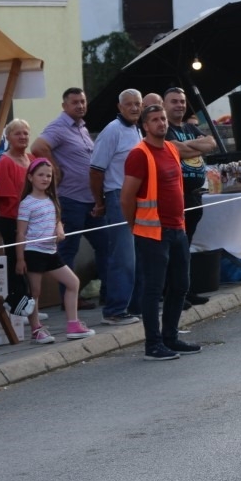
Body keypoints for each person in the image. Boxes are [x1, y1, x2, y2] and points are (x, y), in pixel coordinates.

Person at [120, 104, 202, 361]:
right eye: (155, 120)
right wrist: (135, 226)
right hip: (153, 233)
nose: (161, 123)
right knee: (153, 289)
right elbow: (126, 197)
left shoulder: (170, 149)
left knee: (180, 286)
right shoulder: (139, 154)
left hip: (177, 227)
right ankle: (152, 344)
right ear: (145, 125)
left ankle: (170, 337)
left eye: (163, 119)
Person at [30, 87, 107, 310]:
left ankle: (108, 293)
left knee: (105, 245)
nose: (80, 106)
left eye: (83, 101)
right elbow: (38, 147)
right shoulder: (59, 126)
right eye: (75, 102)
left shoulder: (82, 128)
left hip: (91, 199)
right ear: (65, 106)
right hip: (71, 199)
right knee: (68, 250)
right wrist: (54, 167)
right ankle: (69, 300)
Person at [16, 158, 96, 344]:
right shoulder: (27, 203)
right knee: (34, 292)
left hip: (51, 252)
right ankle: (36, 329)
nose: (45, 179)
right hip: (33, 251)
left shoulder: (52, 199)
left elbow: (57, 219)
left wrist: (59, 229)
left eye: (48, 176)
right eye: (40, 175)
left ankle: (73, 324)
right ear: (30, 177)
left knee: (73, 282)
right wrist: (21, 259)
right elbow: (20, 233)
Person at [88, 88, 143, 325]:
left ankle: (132, 306)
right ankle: (114, 310)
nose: (133, 108)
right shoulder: (113, 131)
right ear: (119, 107)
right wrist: (99, 201)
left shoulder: (137, 130)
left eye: (137, 104)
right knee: (123, 256)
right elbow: (95, 170)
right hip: (118, 196)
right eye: (128, 104)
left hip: (138, 197)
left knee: (137, 255)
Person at [163, 86, 218, 305]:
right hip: (178, 195)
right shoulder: (164, 128)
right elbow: (173, 149)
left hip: (196, 195)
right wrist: (197, 148)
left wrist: (187, 147)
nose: (179, 105)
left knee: (187, 246)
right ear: (165, 104)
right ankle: (173, 293)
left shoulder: (189, 127)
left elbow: (211, 142)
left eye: (182, 101)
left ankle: (186, 290)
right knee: (176, 248)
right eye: (174, 101)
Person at [0, 118, 34, 308]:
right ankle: (18, 303)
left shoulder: (32, 159)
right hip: (12, 220)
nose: (23, 137)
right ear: (8, 137)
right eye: (18, 133)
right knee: (16, 261)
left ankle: (29, 303)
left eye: (25, 133)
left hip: (32, 220)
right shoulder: (5, 162)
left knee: (30, 262)